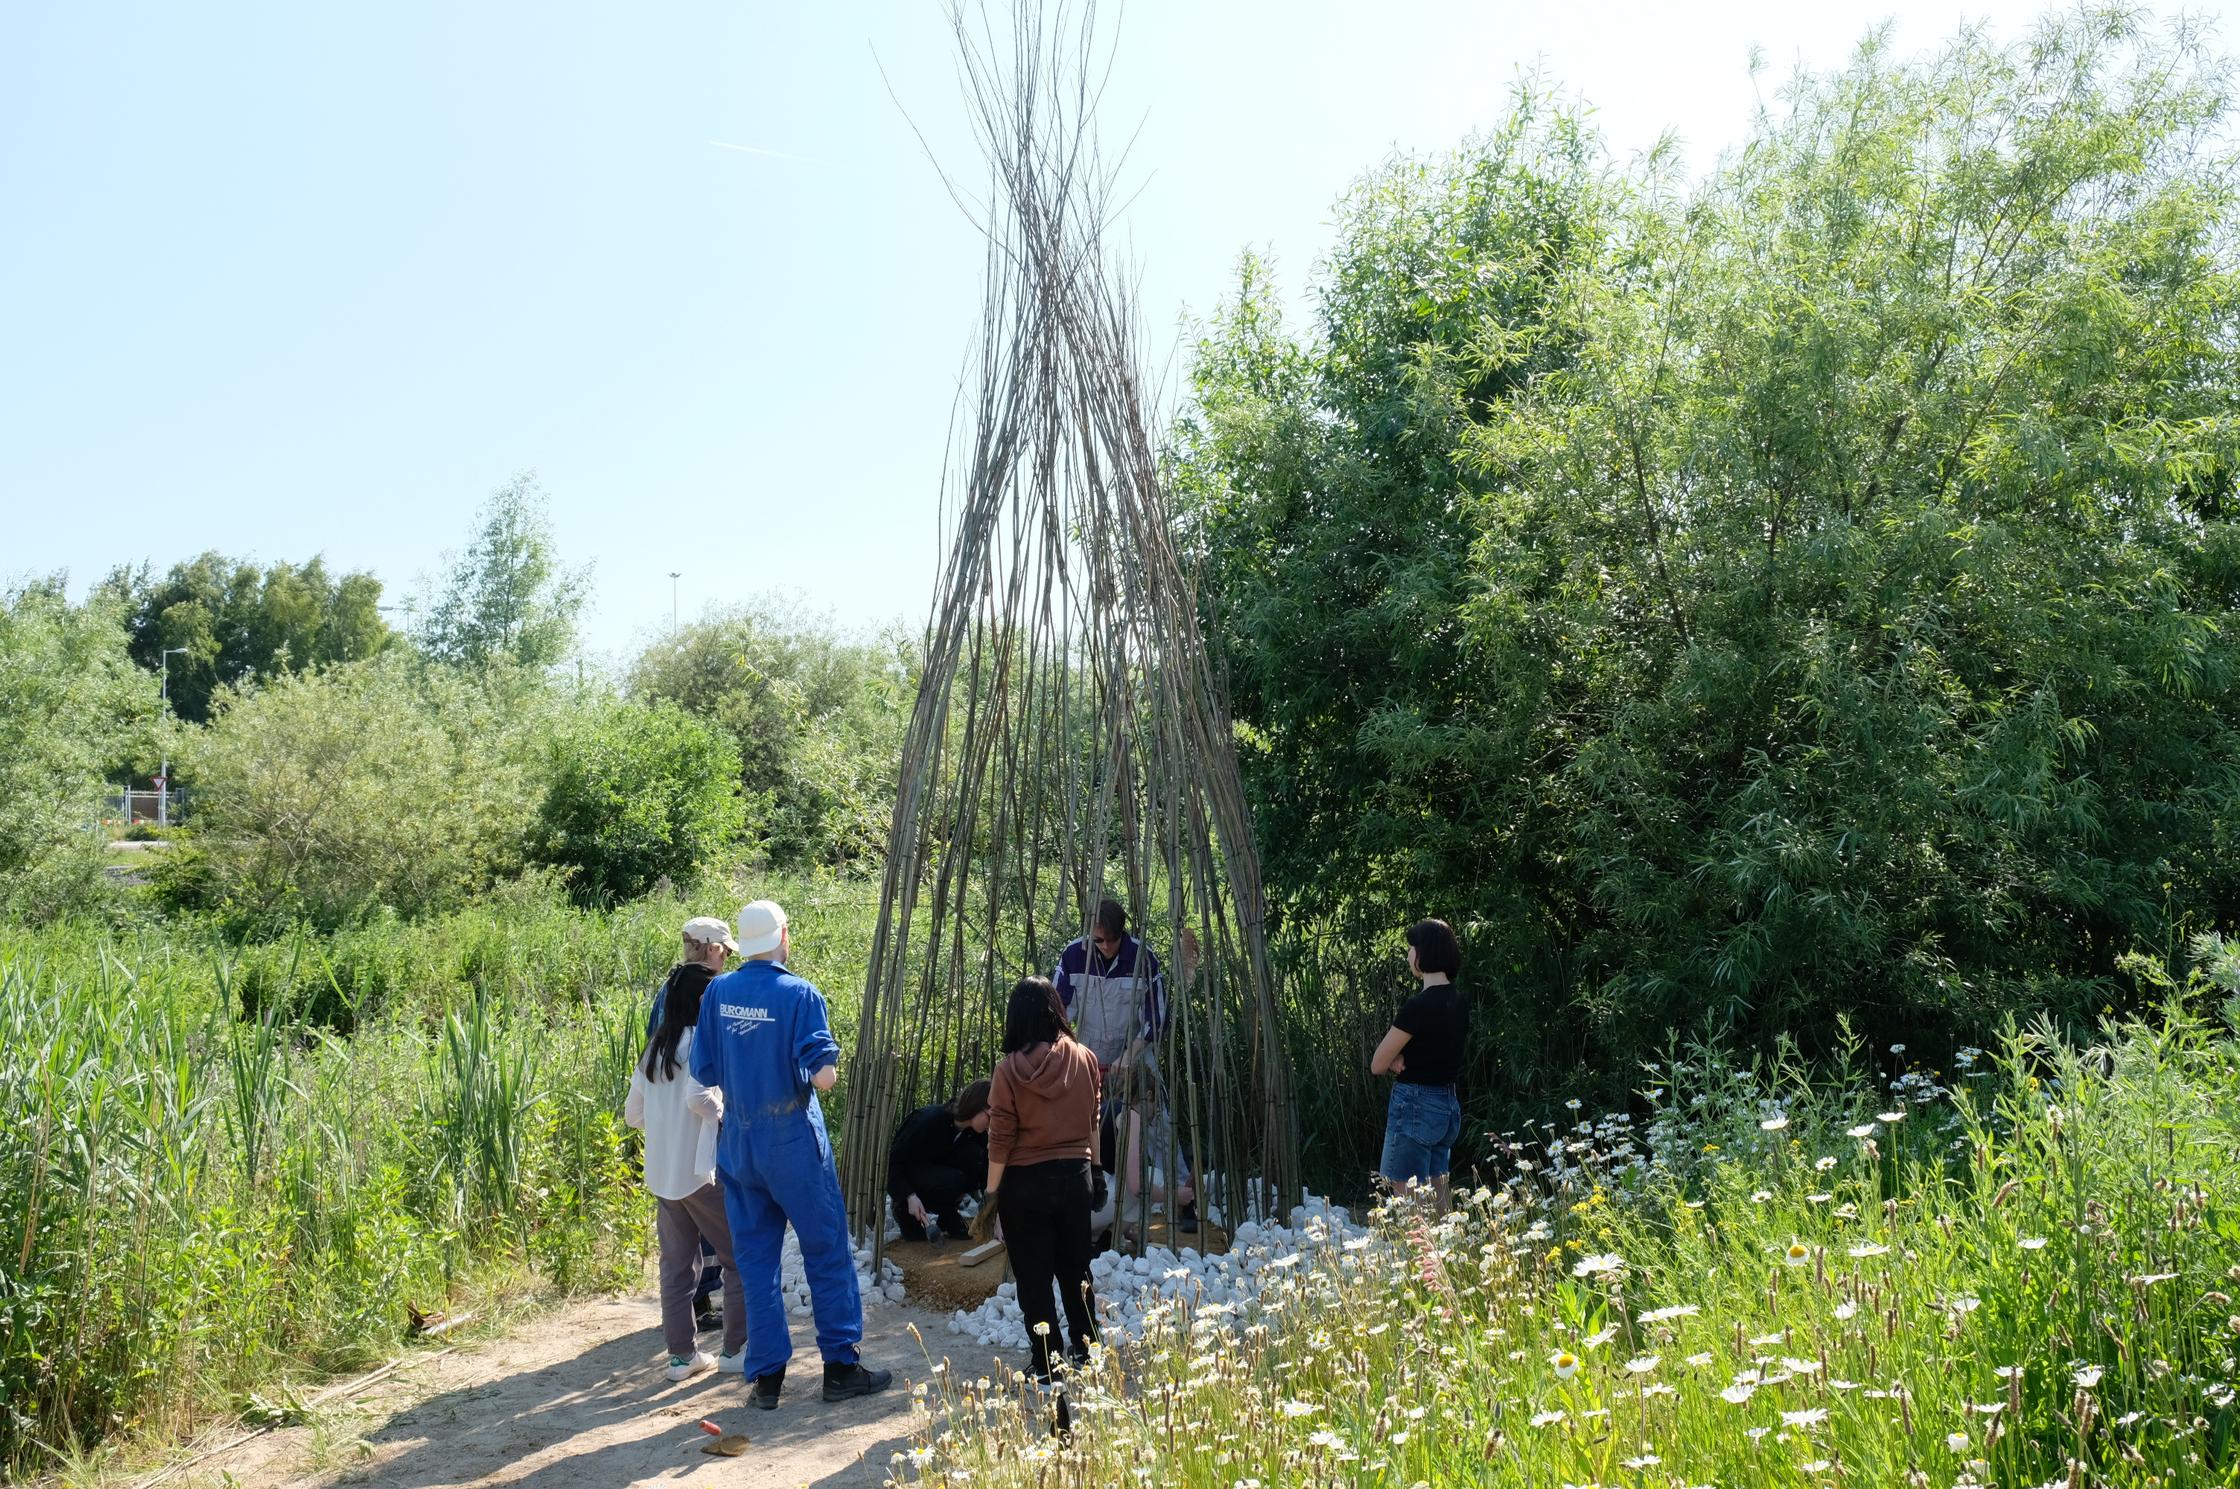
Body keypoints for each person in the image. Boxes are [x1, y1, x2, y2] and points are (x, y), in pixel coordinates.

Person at [691, 900, 892, 1409]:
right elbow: (822, 1074)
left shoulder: (718, 992)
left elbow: (705, 1072)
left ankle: (768, 1379)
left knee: (757, 1263)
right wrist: (826, 1066)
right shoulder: (799, 993)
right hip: (794, 1146)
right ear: (783, 935)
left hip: (740, 1144)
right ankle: (841, 1368)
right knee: (825, 1252)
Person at [624, 946, 745, 1381]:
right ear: (701, 1002)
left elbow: (632, 1116)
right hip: (702, 1173)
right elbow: (702, 1100)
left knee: (676, 1269)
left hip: (661, 1175)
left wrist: (664, 1118)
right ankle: (735, 1351)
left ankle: (681, 1358)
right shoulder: (702, 1046)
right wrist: (720, 1109)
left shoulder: (655, 1048)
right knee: (737, 1259)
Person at [1052, 899, 1197, 1232]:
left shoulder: (1143, 958)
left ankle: (1183, 1197)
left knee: (1158, 1121)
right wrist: (1071, 1051)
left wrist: (1131, 1054)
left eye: (1110, 940)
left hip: (1135, 1048)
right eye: (1097, 940)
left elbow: (1156, 1018)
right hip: (1086, 1047)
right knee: (1080, 1119)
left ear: (1122, 934)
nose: (1103, 947)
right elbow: (1058, 1011)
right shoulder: (1073, 955)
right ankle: (1093, 1191)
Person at [986, 975, 1101, 1380]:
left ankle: (1047, 1362)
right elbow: (1092, 1121)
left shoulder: (1007, 1072)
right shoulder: (1085, 1058)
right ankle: (1089, 1349)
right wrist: (1097, 1169)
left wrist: (991, 1192)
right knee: (1076, 1269)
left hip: (1025, 1184)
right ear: (1057, 1011)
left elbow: (1000, 1140)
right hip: (1077, 1176)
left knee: (1033, 1279)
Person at [647, 917, 737, 1331]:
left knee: (677, 1252)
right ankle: (732, 1336)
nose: (728, 956)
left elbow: (652, 1056)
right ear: (711, 948)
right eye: (725, 949)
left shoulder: (670, 986)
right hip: (700, 1127)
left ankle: (686, 1334)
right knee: (725, 1241)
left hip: (665, 1137)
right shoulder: (708, 989)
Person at [1369, 918, 1468, 1208]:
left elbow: (1377, 1063)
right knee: (1439, 1198)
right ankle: (1446, 1251)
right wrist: (1402, 1056)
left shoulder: (1418, 1006)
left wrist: (1395, 1059)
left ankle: (1421, 1254)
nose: (1408, 955)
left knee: (1408, 1199)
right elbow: (1435, 1047)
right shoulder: (1459, 1001)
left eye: (1411, 948)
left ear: (1423, 953)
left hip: (1415, 1105)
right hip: (1447, 1106)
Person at [886, 1080, 992, 1243]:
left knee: (974, 1158)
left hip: (940, 1175)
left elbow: (985, 1171)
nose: (991, 1124)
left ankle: (947, 1215)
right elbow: (894, 1161)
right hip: (911, 1179)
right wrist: (908, 1196)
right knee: (954, 1179)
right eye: (989, 1117)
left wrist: (993, 1213)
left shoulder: (976, 1134)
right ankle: (903, 1211)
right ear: (975, 1107)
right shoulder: (927, 1119)